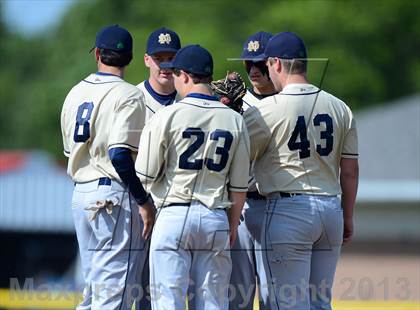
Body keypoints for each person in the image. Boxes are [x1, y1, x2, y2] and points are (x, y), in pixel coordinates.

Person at [243, 32, 359, 309]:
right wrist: (348, 215)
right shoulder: (339, 107)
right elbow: (351, 170)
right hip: (331, 209)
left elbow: (238, 161)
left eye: (268, 65)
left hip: (287, 211)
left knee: (288, 303)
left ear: (276, 63)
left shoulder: (266, 109)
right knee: (320, 302)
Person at [135, 44, 250, 310]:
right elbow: (239, 186)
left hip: (174, 214)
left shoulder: (166, 115)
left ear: (184, 75)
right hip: (215, 216)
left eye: (175, 73)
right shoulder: (234, 120)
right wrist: (231, 226)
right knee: (213, 303)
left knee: (168, 303)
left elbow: (146, 174)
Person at [60, 25, 155, 310]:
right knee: (114, 295)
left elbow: (70, 151)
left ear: (98, 54)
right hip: (112, 196)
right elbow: (120, 155)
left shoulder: (74, 92)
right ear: (130, 58)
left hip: (81, 195)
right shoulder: (129, 94)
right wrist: (143, 199)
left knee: (93, 293)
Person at [229, 31, 276, 310]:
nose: (254, 69)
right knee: (238, 299)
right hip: (242, 207)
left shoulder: (291, 99)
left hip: (277, 204)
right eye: (248, 63)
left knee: (274, 297)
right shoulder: (234, 102)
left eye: (261, 63)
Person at [137, 27, 181, 120]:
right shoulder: (134, 99)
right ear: (147, 60)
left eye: (171, 58)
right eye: (159, 59)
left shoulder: (188, 98)